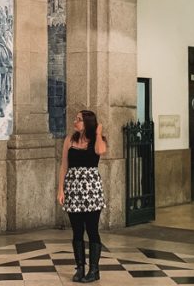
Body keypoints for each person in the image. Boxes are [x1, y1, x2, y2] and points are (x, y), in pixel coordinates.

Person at [58, 109, 107, 283]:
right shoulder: (69, 140)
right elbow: (64, 166)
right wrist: (60, 189)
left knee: (92, 230)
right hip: (73, 190)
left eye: (78, 120)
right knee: (77, 230)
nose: (75, 122)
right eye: (75, 119)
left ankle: (94, 270)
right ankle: (80, 268)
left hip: (91, 191)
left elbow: (101, 151)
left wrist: (99, 133)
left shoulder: (97, 141)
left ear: (87, 123)